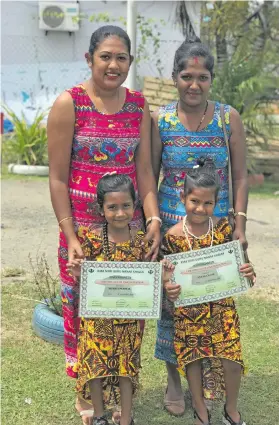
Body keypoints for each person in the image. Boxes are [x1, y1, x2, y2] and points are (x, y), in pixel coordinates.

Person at [47, 25, 161, 425]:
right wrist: (70, 234)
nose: (114, 65)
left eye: (122, 58)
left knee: (124, 308)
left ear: (130, 62)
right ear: (89, 59)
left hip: (126, 232)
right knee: (82, 310)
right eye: (105, 57)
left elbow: (144, 170)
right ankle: (86, 393)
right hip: (82, 233)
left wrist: (153, 220)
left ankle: (119, 392)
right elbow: (58, 177)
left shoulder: (138, 106)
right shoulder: (70, 103)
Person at [151, 36, 249, 416]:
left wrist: (239, 224)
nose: (194, 84)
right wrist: (155, 223)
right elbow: (150, 172)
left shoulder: (228, 118)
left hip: (216, 231)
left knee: (213, 304)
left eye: (203, 77)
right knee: (172, 306)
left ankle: (208, 377)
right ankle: (175, 381)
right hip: (174, 233)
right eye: (187, 75)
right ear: (175, 77)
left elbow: (239, 176)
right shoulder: (161, 119)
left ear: (211, 79)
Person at [160, 159, 255, 425]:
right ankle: (201, 410)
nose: (201, 208)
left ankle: (231, 410)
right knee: (193, 359)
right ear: (183, 197)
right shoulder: (172, 237)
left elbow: (244, 266)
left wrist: (249, 272)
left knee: (232, 360)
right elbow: (166, 278)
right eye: (194, 201)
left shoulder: (225, 229)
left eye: (208, 203)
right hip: (189, 313)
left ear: (217, 202)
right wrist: (169, 287)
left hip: (222, 308)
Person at [67, 173, 151, 425]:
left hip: (128, 320)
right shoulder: (91, 238)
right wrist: (79, 273)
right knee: (95, 366)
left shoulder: (140, 241)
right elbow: (86, 278)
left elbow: (147, 278)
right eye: (112, 207)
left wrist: (162, 274)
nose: (120, 213)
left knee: (126, 369)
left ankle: (125, 417)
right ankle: (100, 415)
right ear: (100, 209)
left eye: (125, 206)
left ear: (134, 206)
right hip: (97, 319)